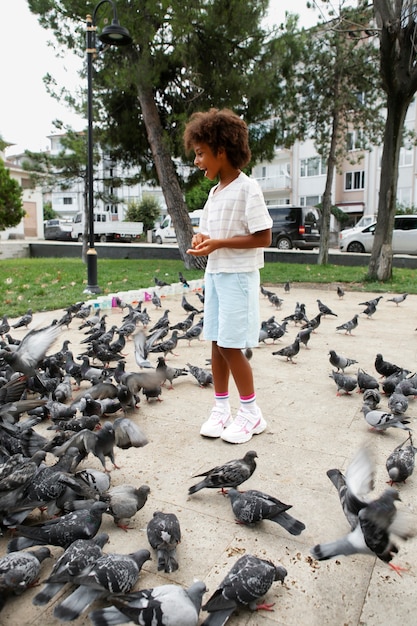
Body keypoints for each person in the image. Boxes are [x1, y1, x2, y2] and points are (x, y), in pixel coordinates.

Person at [183, 108, 272, 444]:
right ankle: (222, 408)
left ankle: (250, 413)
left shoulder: (248, 189)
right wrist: (201, 239)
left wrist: (218, 242)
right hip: (217, 275)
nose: (197, 161)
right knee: (217, 344)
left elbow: (263, 237)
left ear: (221, 151)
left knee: (233, 346)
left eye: (201, 153)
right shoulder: (215, 192)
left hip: (238, 276)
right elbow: (208, 232)